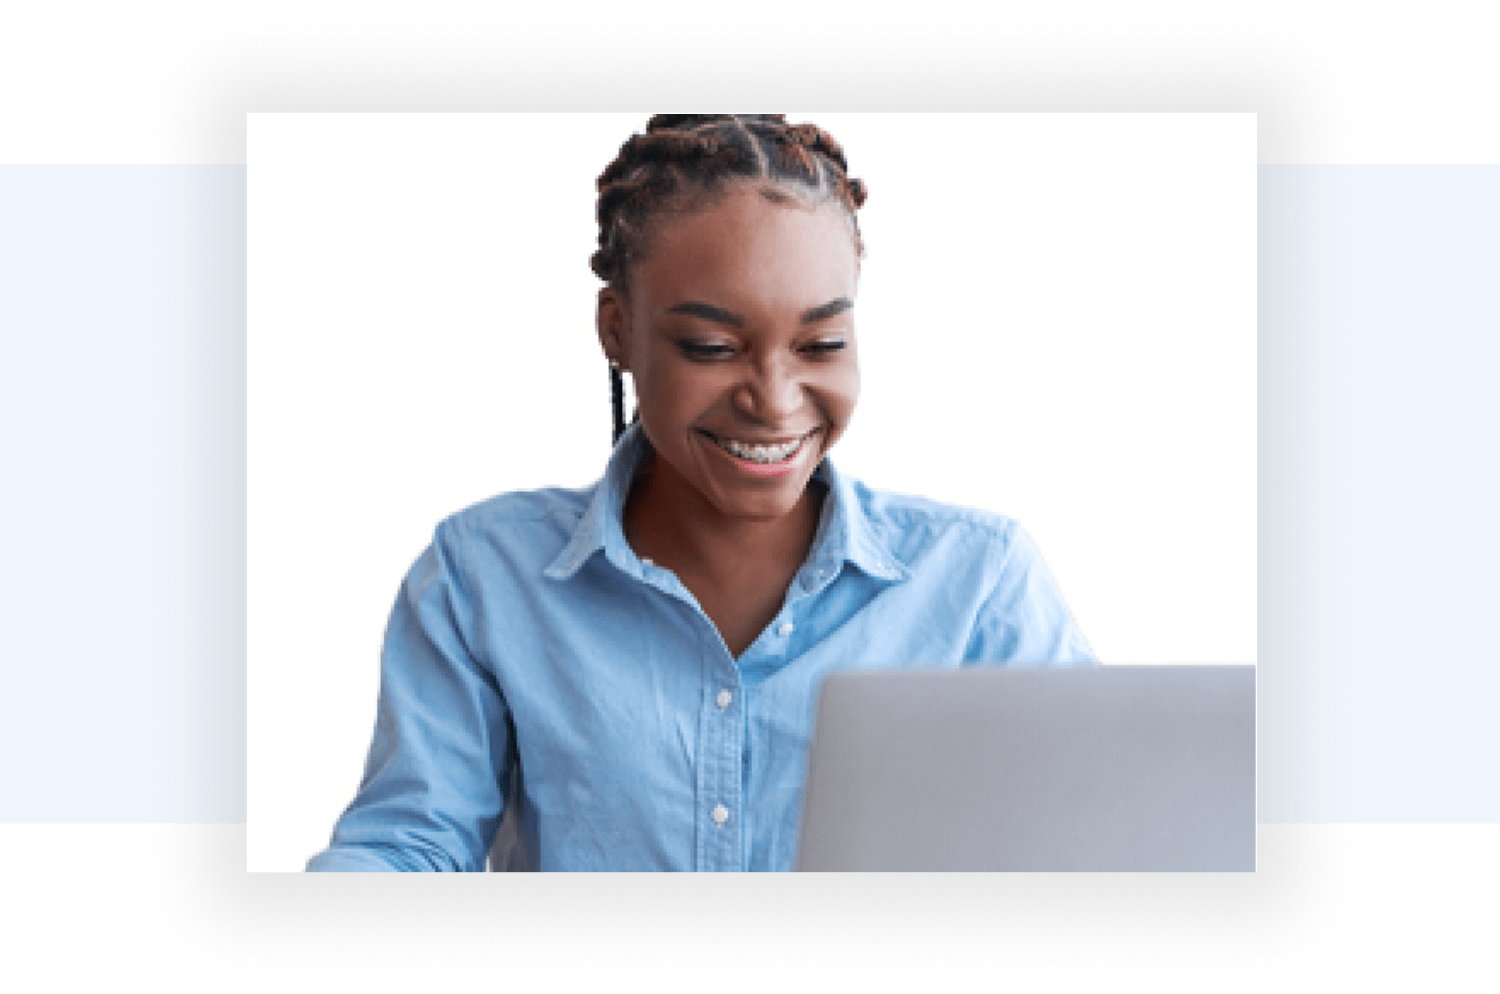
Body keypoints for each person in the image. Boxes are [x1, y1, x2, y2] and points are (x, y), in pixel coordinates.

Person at [307, 114, 1094, 873]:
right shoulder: (484, 576)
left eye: (821, 345)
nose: (777, 401)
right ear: (617, 331)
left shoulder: (978, 584)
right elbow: (410, 843)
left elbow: (1092, 837)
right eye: (712, 347)